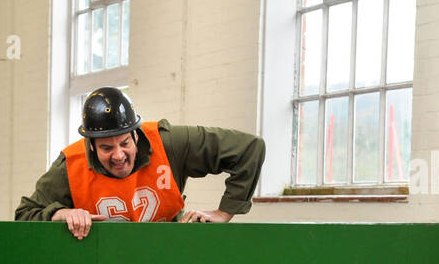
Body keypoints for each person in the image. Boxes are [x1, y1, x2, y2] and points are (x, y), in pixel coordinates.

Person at [15, 87, 266, 238]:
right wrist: (61, 213)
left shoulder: (169, 143)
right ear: (90, 145)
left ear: (136, 134)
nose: (118, 155)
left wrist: (224, 213)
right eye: (106, 147)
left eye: (125, 143)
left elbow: (249, 149)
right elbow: (24, 215)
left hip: (166, 261)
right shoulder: (70, 165)